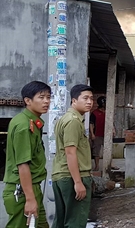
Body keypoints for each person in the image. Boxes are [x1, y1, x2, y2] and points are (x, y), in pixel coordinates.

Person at [3, 81, 50, 228]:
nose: (46, 101)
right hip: (23, 190)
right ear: (28, 101)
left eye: (48, 97)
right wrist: (30, 199)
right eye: (41, 97)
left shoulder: (31, 121)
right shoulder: (24, 126)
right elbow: (23, 164)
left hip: (30, 188)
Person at [52, 84, 94, 228]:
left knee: (61, 222)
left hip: (62, 175)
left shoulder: (65, 119)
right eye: (85, 98)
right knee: (75, 222)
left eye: (91, 99)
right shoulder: (73, 121)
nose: (89, 102)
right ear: (74, 101)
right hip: (73, 176)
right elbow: (71, 152)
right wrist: (78, 182)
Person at [89, 96, 116, 172]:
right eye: (104, 103)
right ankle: (97, 165)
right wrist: (92, 134)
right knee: (96, 151)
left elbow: (111, 122)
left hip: (107, 134)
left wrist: (113, 130)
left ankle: (111, 164)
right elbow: (91, 124)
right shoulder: (94, 113)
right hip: (97, 134)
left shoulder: (108, 112)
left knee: (110, 150)